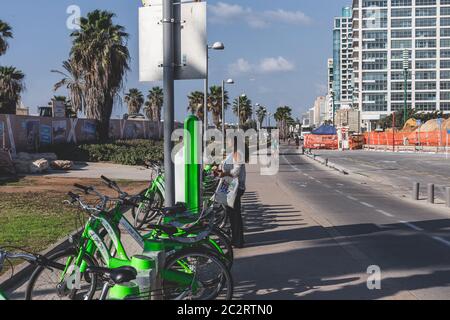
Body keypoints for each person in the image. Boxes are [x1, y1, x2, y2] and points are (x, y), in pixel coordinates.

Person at [214, 137, 246, 248]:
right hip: (231, 186)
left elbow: (236, 172)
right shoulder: (232, 153)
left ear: (234, 142)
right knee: (232, 214)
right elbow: (225, 166)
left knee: (235, 214)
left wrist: (224, 174)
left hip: (235, 188)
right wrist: (219, 170)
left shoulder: (238, 154)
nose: (227, 141)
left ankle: (238, 241)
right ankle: (236, 239)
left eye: (228, 140)